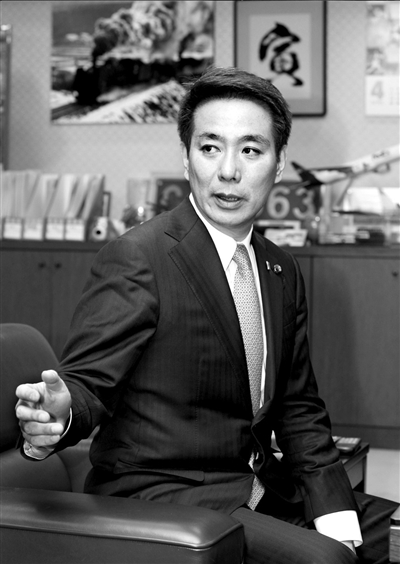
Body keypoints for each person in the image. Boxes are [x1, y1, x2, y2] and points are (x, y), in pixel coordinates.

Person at [16, 66, 397, 564]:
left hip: (261, 487)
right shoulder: (140, 256)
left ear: (279, 163)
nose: (229, 171)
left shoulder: (280, 268)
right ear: (186, 157)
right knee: (326, 560)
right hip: (166, 497)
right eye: (210, 147)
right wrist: (60, 415)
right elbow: (88, 382)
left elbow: (299, 406)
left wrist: (336, 516)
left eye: (251, 150)